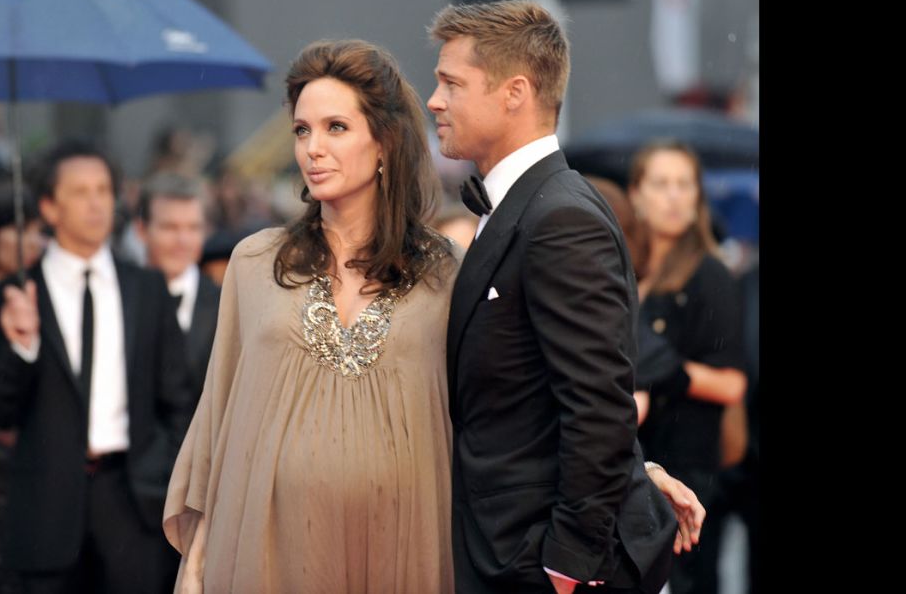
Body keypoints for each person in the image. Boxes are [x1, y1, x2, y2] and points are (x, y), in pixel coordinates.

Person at [164, 38, 704, 594]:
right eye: (302, 130)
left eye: (336, 128)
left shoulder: (446, 271)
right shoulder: (254, 263)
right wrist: (198, 568)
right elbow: (220, 426)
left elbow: (518, 402)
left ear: (385, 143)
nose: (312, 149)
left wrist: (636, 473)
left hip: (411, 548)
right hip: (270, 549)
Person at [428, 0, 685, 593]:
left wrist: (568, 562)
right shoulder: (529, 206)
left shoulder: (561, 217)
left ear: (514, 92)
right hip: (504, 548)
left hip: (537, 564)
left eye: (451, 83)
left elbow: (598, 404)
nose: (435, 100)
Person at [0, 140, 190, 594]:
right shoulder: (10, 297)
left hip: (134, 507)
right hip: (44, 513)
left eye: (104, 190)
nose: (96, 203)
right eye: (80, 192)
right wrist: (22, 346)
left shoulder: (148, 291)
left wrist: (159, 479)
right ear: (50, 208)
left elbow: (178, 401)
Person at [628, 140, 747, 594]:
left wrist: (668, 373)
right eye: (661, 184)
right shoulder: (630, 270)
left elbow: (732, 384)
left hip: (688, 467)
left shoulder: (709, 274)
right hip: (637, 461)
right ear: (636, 194)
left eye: (685, 184)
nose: (674, 196)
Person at [134, 173, 221, 449]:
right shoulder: (118, 299)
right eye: (170, 227)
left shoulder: (228, 305)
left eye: (193, 228)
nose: (183, 240)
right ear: (141, 230)